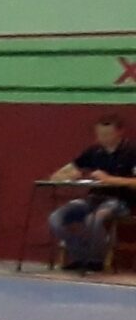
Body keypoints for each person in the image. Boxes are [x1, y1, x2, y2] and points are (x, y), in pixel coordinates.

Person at [46, 114, 135, 272]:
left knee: (94, 219)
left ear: (119, 132)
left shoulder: (132, 151)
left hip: (120, 200)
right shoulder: (94, 151)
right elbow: (68, 170)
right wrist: (65, 175)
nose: (103, 138)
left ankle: (96, 261)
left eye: (108, 134)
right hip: (93, 198)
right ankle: (80, 255)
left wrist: (109, 179)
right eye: (100, 134)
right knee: (56, 218)